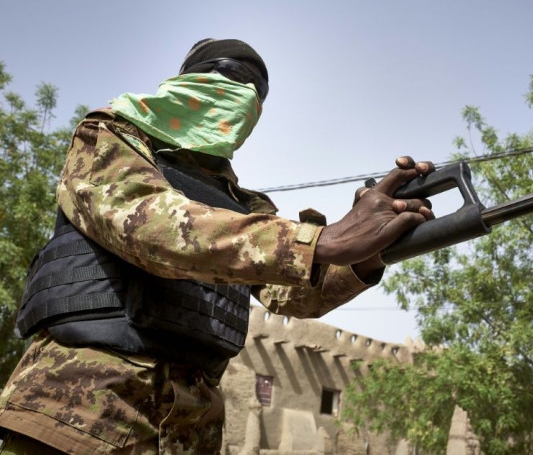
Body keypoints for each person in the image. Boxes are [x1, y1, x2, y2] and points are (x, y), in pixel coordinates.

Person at [0, 39, 435, 454]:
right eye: (231, 74)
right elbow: (152, 226)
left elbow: (294, 296)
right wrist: (324, 240)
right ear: (187, 80)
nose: (246, 93)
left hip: (190, 430)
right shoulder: (110, 138)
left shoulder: (246, 206)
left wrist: (373, 247)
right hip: (78, 411)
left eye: (258, 91)